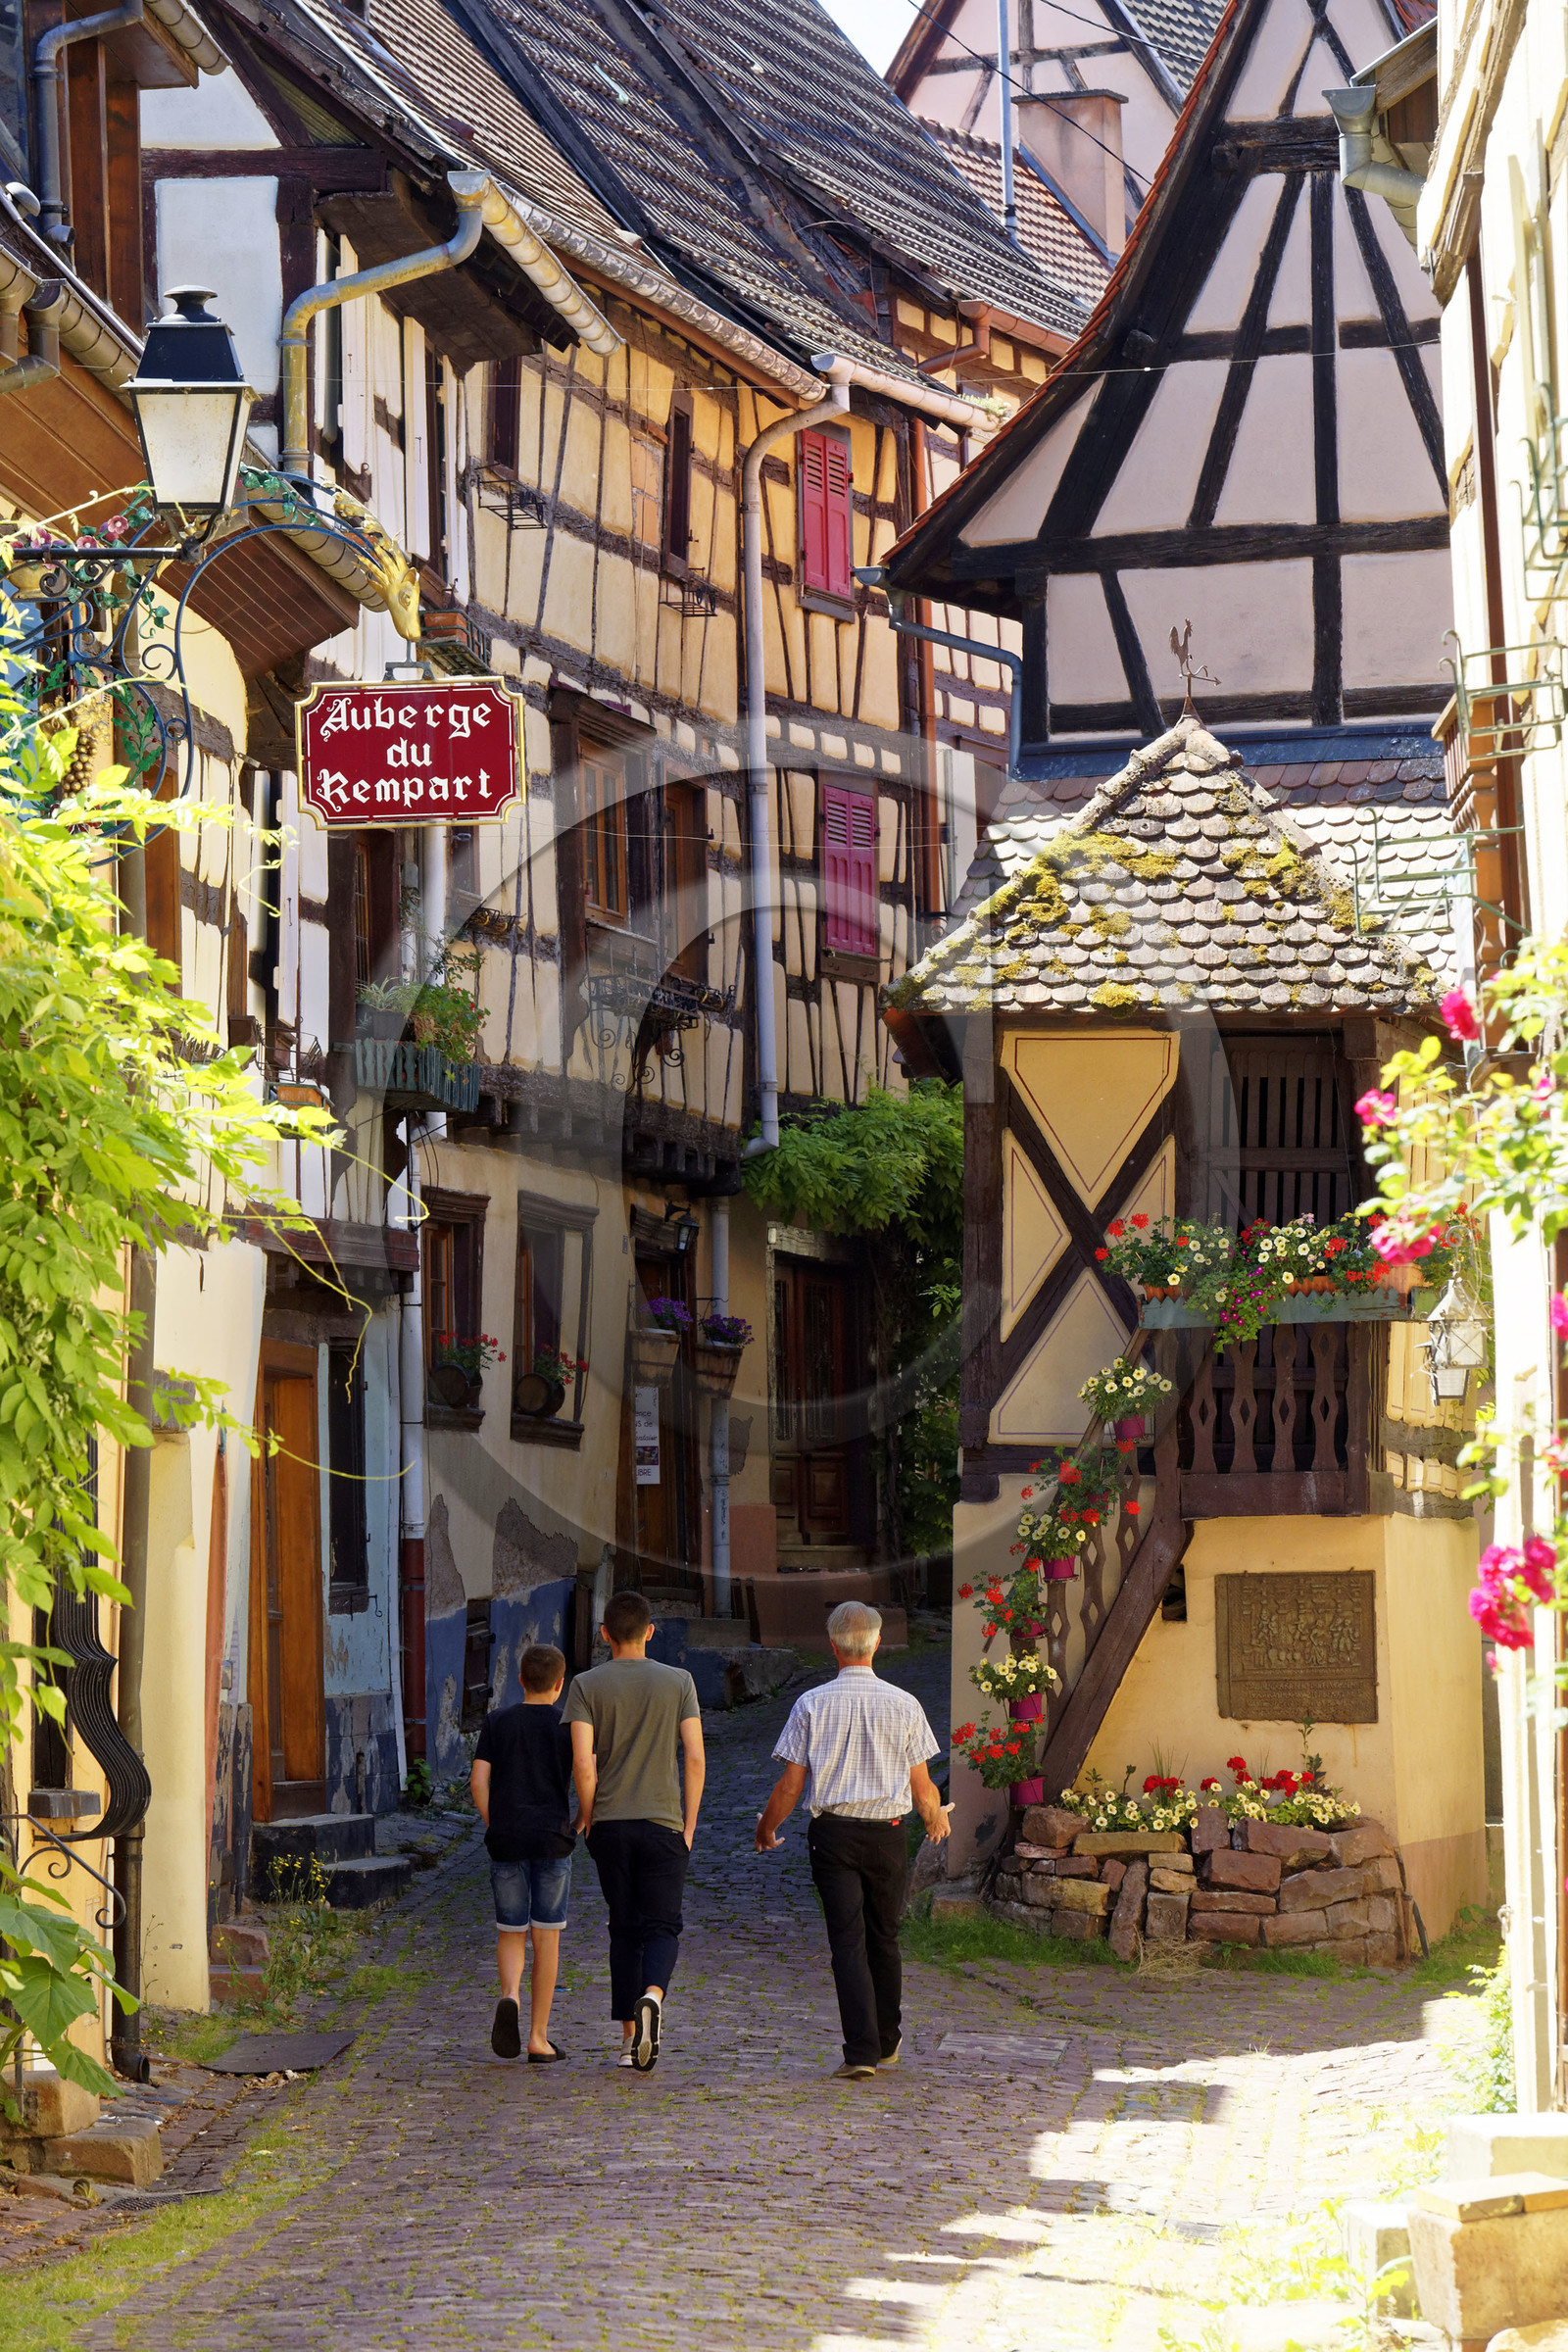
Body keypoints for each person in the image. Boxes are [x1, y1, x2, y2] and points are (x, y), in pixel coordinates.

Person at [756, 1599, 951, 2080]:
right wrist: (933, 1820)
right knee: (885, 1937)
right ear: (877, 1644)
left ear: (833, 1647)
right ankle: (887, 2042)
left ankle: (861, 2051)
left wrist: (768, 1827)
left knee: (848, 1942)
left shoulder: (811, 1704)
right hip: (887, 1835)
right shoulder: (905, 1704)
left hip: (834, 1836)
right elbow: (921, 1784)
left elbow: (791, 1785)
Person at [567, 1590, 705, 2073]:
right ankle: (652, 1996)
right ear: (650, 1631)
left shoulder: (586, 1685)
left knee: (623, 1928)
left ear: (604, 1634)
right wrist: (688, 1825)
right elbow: (693, 1756)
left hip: (610, 1824)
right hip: (663, 1821)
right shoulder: (679, 1682)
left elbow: (584, 1762)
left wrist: (588, 1816)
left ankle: (629, 2041)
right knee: (663, 1925)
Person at [469, 1642, 574, 2064]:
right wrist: (582, 1820)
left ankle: (509, 1995)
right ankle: (538, 2037)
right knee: (546, 1937)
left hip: (507, 1837)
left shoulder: (497, 1721)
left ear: (520, 1680)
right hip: (552, 1837)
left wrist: (492, 1820)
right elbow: (589, 1775)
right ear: (559, 1683)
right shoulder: (568, 1725)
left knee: (510, 1931)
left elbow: (479, 1781)